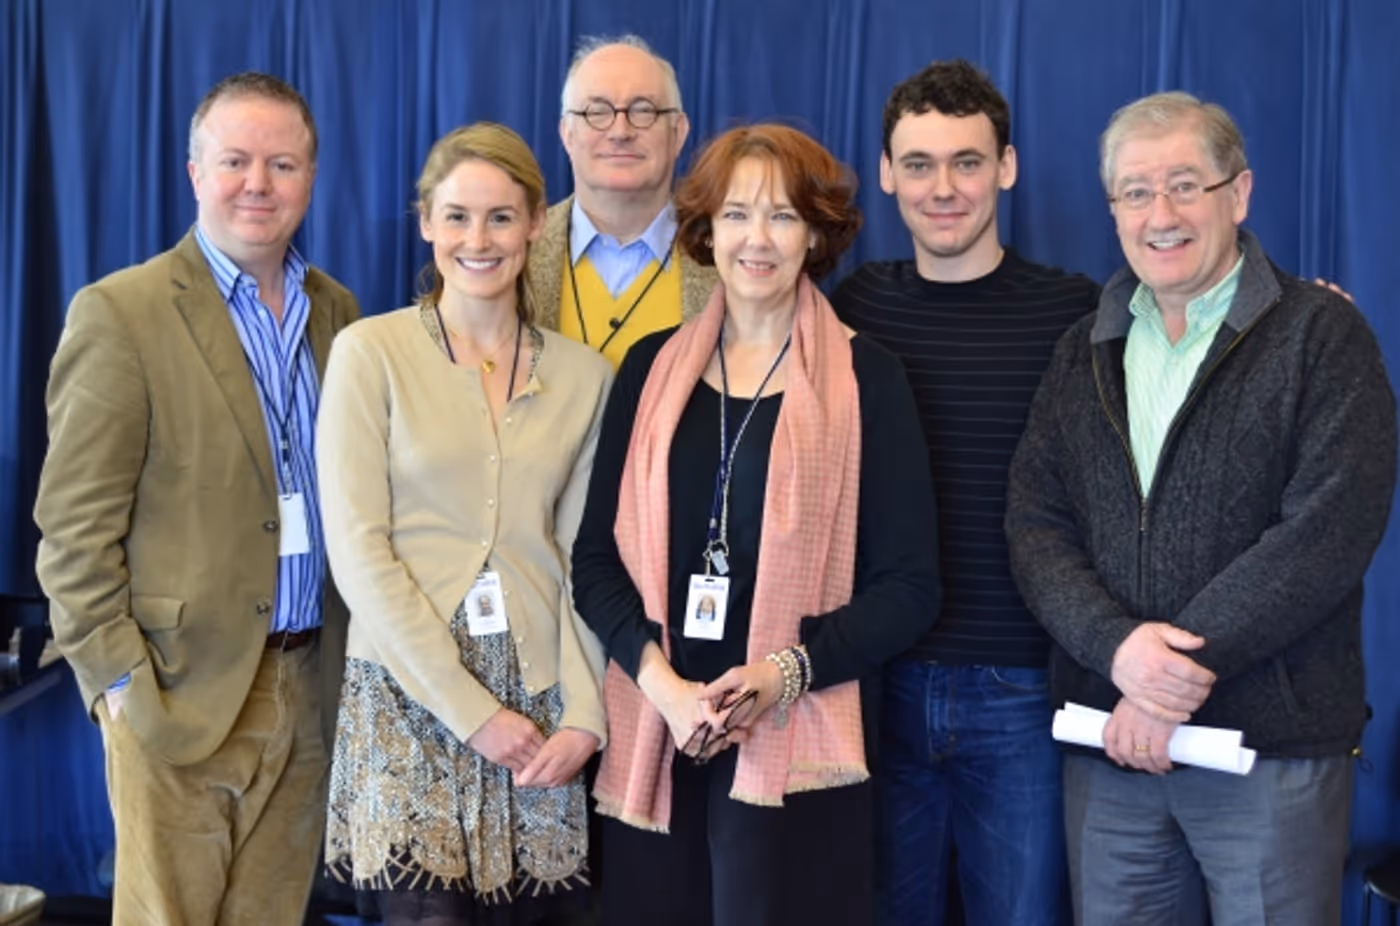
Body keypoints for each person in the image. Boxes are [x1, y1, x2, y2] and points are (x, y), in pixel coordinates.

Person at [1005, 91, 1397, 925]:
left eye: (1186, 184)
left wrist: (1166, 681)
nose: (1162, 214)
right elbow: (1037, 526)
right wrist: (1119, 655)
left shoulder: (1321, 335)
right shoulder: (1081, 352)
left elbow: (1327, 531)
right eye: (1137, 192)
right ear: (1113, 210)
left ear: (1240, 193)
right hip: (1113, 758)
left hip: (1269, 760)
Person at [571, 123, 940, 926]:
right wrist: (666, 692)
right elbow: (594, 561)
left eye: (782, 216)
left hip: (793, 742)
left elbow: (910, 589)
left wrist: (781, 676)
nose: (757, 239)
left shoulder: (868, 379)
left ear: (815, 234)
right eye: (737, 215)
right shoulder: (648, 366)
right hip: (660, 730)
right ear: (705, 231)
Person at [33, 72, 360, 924]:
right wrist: (119, 686)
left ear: (312, 177)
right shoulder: (122, 313)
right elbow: (72, 533)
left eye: (282, 163)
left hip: (309, 683)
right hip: (178, 690)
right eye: (236, 161)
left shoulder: (339, 315)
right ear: (194, 172)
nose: (259, 183)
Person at [316, 122, 612, 926]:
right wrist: (472, 712)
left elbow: (588, 560)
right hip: (408, 696)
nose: (477, 240)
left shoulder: (587, 379)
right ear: (425, 223)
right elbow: (358, 550)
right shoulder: (366, 354)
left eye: (500, 217)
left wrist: (586, 716)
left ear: (537, 224)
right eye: (456, 216)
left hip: (542, 705)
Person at [830, 60, 1096, 925]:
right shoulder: (855, 307)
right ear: (886, 174)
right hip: (877, 682)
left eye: (967, 162)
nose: (942, 188)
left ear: (1007, 167)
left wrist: (1297, 324)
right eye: (918, 164)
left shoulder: (1077, 313)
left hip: (1022, 687)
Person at [528, 34, 718, 367]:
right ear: (566, 134)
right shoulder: (516, 253)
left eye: (643, 110)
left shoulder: (726, 263)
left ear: (678, 133)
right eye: (596, 112)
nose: (620, 131)